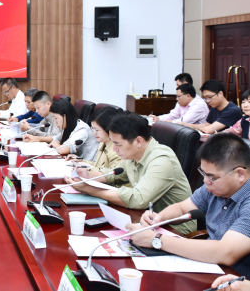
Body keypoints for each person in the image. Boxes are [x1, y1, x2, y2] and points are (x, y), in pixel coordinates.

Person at [127, 133, 250, 276]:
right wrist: (158, 218)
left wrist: (155, 240)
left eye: (211, 177)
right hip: (209, 266)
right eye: (203, 173)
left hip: (236, 278)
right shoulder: (214, 188)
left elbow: (225, 252)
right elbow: (181, 208)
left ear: (240, 174)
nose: (205, 181)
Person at [65, 111, 195, 235]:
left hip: (175, 229)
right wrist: (88, 176)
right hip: (145, 219)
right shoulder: (133, 154)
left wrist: (88, 189)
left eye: (118, 144)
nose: (114, 149)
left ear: (138, 141)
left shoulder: (161, 160)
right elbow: (114, 174)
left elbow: (138, 199)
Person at [66, 106, 123, 173]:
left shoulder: (116, 151)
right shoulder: (103, 143)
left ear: (108, 129)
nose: (94, 133)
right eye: (92, 129)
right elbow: (97, 165)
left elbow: (112, 175)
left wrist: (89, 169)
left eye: (96, 130)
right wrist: (80, 161)